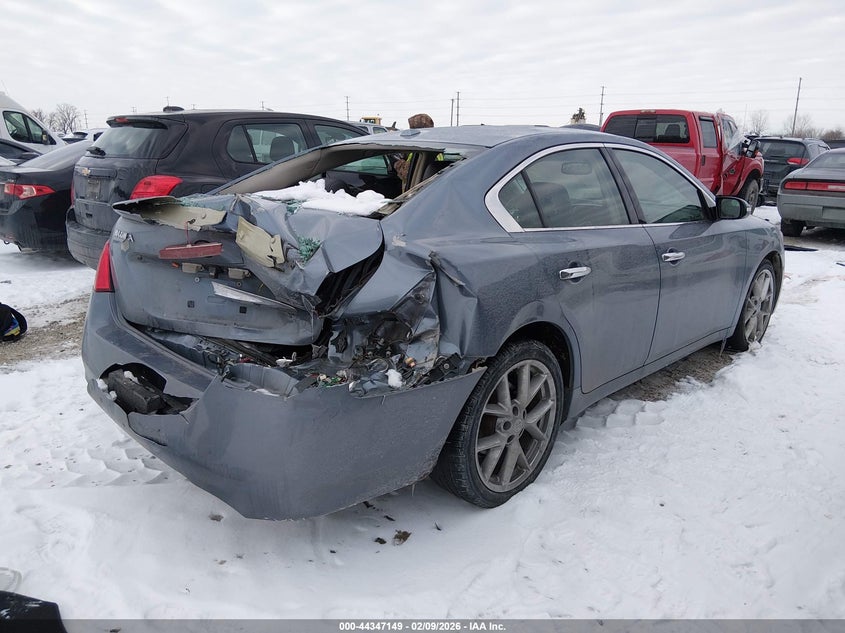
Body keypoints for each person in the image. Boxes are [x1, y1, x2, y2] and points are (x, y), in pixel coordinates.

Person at [394, 113, 434, 183]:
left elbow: (408, 174)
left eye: (412, 129)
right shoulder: (433, 145)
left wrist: (398, 164)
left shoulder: (420, 149)